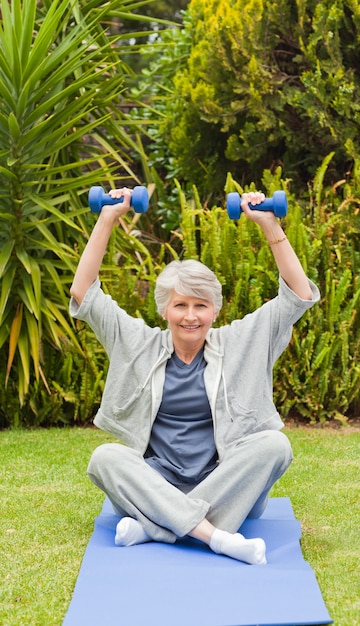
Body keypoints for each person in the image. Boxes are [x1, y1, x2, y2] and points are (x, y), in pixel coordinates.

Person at [70, 188, 320, 565]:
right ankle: (217, 537)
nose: (191, 316)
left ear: (214, 310)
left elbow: (298, 295)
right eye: (181, 305)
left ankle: (156, 526)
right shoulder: (139, 343)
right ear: (165, 310)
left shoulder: (239, 341)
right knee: (105, 458)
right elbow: (84, 292)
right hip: (157, 481)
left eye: (200, 305)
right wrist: (107, 218)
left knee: (275, 446)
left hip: (225, 482)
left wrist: (269, 223)